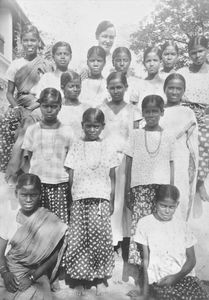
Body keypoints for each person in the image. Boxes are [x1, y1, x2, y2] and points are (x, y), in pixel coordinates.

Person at [64, 108, 118, 296]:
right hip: (80, 198)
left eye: (96, 126)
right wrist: (72, 198)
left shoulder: (108, 146)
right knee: (80, 239)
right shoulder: (77, 145)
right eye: (89, 126)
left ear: (102, 127)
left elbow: (112, 175)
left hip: (100, 198)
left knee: (100, 239)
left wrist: (111, 199)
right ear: (82, 126)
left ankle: (99, 278)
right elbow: (71, 173)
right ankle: (80, 279)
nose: (92, 129)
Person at [124, 95, 175, 282]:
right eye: (147, 111)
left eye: (155, 111)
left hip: (161, 190)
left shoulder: (169, 136)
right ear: (142, 113)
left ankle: (158, 276)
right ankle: (141, 278)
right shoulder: (136, 134)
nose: (151, 115)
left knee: (159, 230)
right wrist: (128, 189)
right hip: (140, 190)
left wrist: (171, 189)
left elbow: (171, 164)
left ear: (162, 112)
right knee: (139, 231)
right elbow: (128, 162)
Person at [129, 184, 208, 300]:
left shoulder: (182, 226)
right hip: (161, 279)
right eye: (163, 206)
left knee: (200, 296)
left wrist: (176, 277)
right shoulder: (145, 223)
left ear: (177, 205)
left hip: (183, 276)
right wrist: (144, 294)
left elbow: (191, 260)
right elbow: (146, 260)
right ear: (155, 202)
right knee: (174, 297)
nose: (167, 211)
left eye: (171, 207)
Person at [0, 173, 67, 300]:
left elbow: (53, 256)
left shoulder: (50, 221)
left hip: (35, 273)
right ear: (16, 194)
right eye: (24, 195)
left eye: (33, 195)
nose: (29, 200)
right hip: (9, 270)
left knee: (42, 296)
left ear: (40, 195)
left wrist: (32, 277)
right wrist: (5, 273)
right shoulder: (9, 218)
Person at [0, 24, 52, 173]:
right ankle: (11, 169)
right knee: (7, 121)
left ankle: (31, 169)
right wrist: (16, 108)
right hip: (20, 103)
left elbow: (49, 90)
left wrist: (33, 107)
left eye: (33, 40)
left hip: (39, 103)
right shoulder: (15, 64)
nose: (30, 44)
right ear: (21, 41)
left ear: (38, 42)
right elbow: (9, 93)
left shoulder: (45, 65)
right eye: (26, 40)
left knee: (35, 125)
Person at [100, 71, 141, 249]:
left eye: (119, 87)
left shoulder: (133, 111)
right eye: (112, 87)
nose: (116, 91)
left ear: (126, 87)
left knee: (123, 199)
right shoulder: (101, 109)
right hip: (105, 159)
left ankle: (123, 240)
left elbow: (137, 137)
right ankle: (107, 239)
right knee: (107, 196)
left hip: (125, 159)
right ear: (107, 88)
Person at [21, 88, 74, 224]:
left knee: (59, 225)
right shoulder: (32, 130)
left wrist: (70, 189)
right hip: (38, 185)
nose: (49, 110)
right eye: (45, 106)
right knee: (37, 224)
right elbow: (27, 159)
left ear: (60, 107)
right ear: (40, 106)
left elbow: (71, 163)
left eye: (53, 106)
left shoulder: (67, 131)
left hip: (60, 185)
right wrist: (30, 184)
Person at [160, 73, 198, 220]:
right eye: (171, 88)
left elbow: (193, 146)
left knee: (177, 197)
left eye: (178, 88)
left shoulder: (188, 113)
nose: (174, 92)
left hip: (180, 161)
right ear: (164, 88)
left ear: (184, 90)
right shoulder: (158, 110)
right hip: (159, 161)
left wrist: (192, 170)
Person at [179, 36, 209, 202]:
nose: (197, 56)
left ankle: (200, 180)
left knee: (205, 142)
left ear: (207, 50)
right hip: (186, 115)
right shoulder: (184, 72)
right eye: (193, 53)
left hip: (206, 118)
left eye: (201, 51)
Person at [59, 70, 89, 138]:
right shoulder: (56, 108)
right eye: (71, 86)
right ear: (62, 87)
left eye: (78, 86)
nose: (75, 89)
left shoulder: (86, 108)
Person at [137, 46, 165, 111]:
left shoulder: (166, 85)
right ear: (144, 63)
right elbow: (134, 110)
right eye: (148, 61)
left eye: (155, 60)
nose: (151, 64)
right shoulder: (138, 85)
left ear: (160, 62)